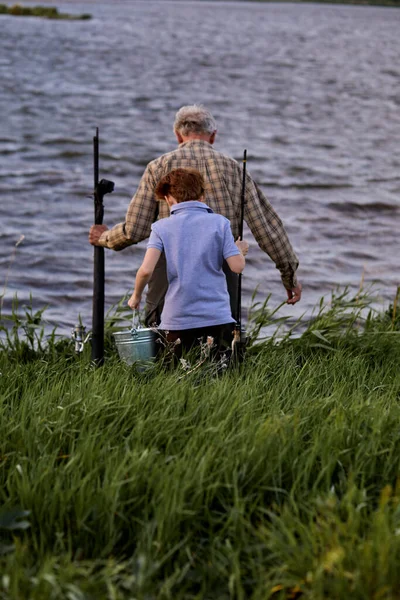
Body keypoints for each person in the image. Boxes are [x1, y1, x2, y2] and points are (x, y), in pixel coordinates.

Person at [89, 104, 302, 325]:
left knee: (163, 339)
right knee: (222, 339)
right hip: (222, 267)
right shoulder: (234, 169)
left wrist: (104, 238)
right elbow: (267, 229)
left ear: (177, 135)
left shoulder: (158, 167)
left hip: (169, 270)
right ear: (213, 136)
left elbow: (135, 229)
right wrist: (289, 277)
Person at [127, 167, 248, 358]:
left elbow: (145, 271)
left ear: (168, 198)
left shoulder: (160, 227)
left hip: (176, 318)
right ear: (202, 196)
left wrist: (135, 296)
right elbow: (237, 266)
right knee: (215, 371)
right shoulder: (220, 223)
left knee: (175, 374)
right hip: (215, 316)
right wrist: (239, 250)